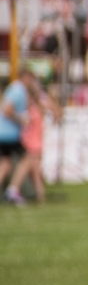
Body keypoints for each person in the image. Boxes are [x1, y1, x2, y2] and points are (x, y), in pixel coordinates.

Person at [6, 70, 60, 205]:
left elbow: (56, 111)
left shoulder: (33, 97)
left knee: (35, 168)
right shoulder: (27, 97)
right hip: (31, 137)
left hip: (34, 136)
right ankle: (13, 189)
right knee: (29, 163)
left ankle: (40, 197)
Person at [0, 72, 29, 203]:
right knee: (27, 158)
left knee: (6, 163)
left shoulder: (14, 88)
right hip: (9, 134)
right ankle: (13, 190)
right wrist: (21, 120)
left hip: (4, 133)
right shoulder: (18, 89)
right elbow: (7, 110)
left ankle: (12, 190)